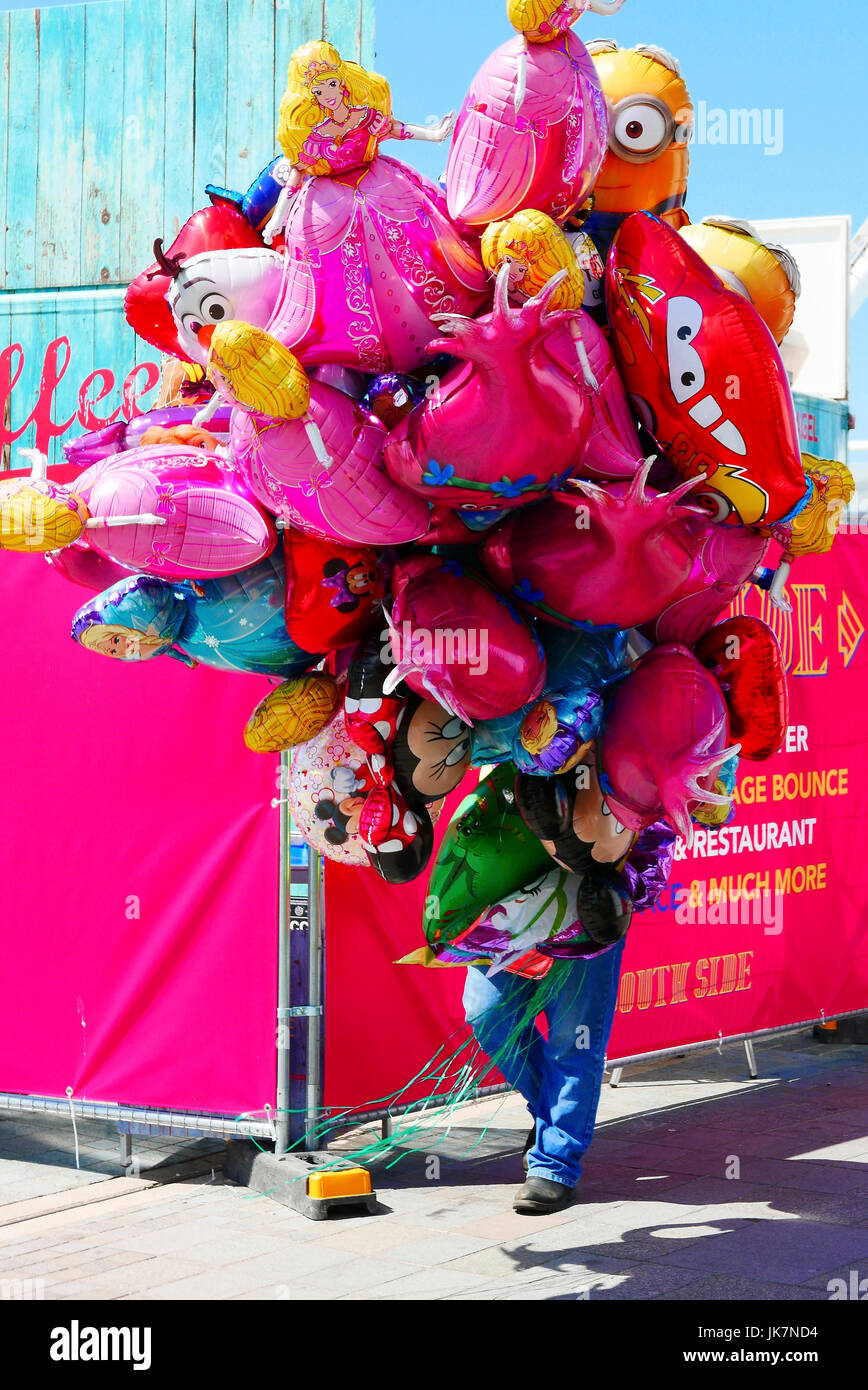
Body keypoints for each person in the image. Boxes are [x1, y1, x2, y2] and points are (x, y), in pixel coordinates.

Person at [463, 941, 625, 1214]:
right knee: (487, 1016)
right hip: (504, 917)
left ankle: (554, 1165)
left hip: (582, 917)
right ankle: (551, 1119)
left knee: (572, 1043)